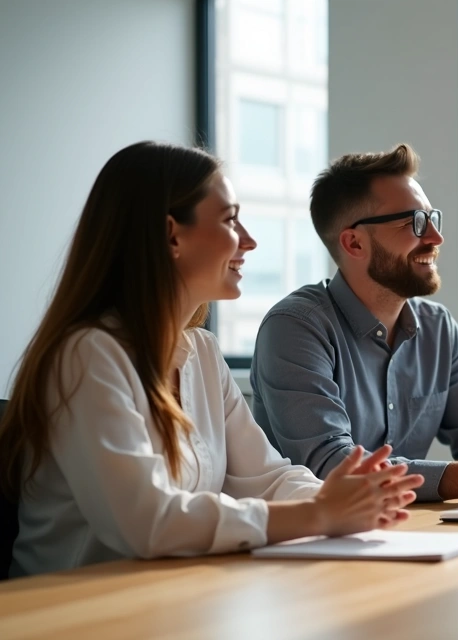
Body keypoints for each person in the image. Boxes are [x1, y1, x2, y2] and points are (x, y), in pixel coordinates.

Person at [0, 142, 424, 578]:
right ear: (171, 235)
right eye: (229, 220)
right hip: (68, 614)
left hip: (168, 601)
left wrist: (334, 497)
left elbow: (266, 477)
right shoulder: (86, 354)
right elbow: (148, 523)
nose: (249, 240)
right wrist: (320, 515)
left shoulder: (200, 352)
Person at [250, 144, 458, 503]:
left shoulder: (438, 329)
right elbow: (330, 466)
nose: (436, 238)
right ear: (354, 243)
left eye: (432, 218)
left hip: (404, 534)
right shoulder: (295, 328)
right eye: (415, 223)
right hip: (310, 544)